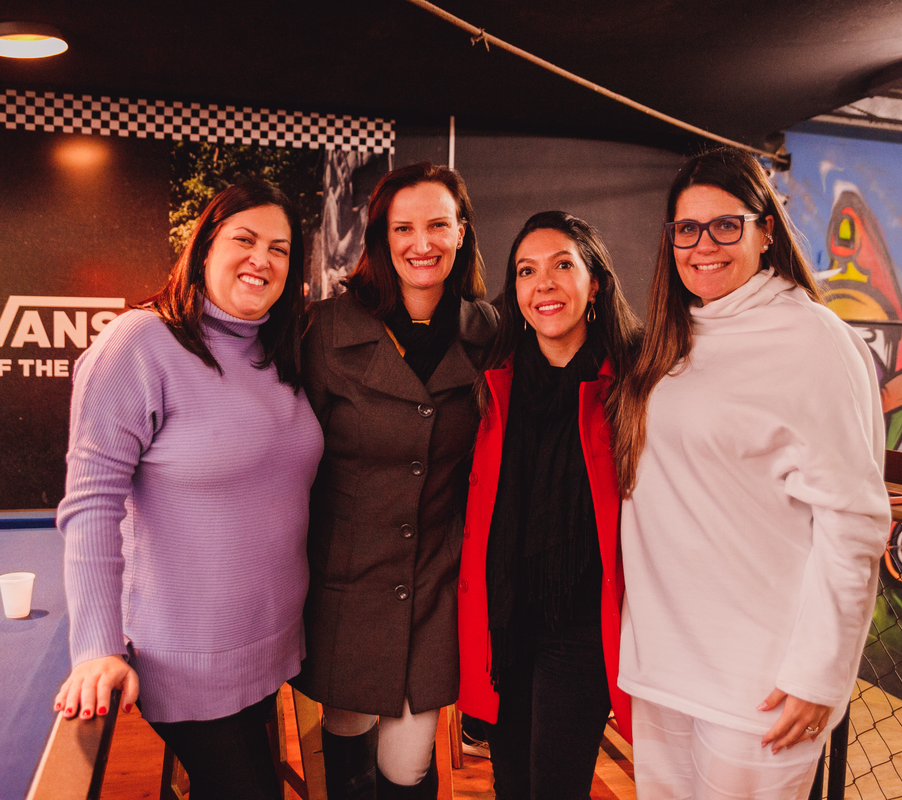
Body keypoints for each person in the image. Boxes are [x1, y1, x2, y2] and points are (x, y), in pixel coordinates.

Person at [613, 147, 890, 800]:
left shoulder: (815, 341)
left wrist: (820, 675)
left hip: (759, 684)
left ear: (766, 231)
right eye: (687, 229)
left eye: (726, 225)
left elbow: (853, 521)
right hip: (664, 665)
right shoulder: (671, 340)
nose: (703, 245)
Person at [54, 180, 323, 800]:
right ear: (203, 248)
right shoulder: (138, 343)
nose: (262, 259)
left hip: (273, 640)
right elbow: (91, 502)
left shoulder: (280, 354)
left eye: (280, 249)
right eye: (244, 239)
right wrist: (94, 647)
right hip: (186, 655)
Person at [295, 161, 497, 799]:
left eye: (439, 224)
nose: (422, 243)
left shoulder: (489, 332)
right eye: (403, 227)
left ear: (462, 232)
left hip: (435, 585)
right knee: (347, 755)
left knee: (409, 770)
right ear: (380, 236)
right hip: (345, 587)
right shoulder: (326, 330)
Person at [458, 211, 641, 799]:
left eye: (563, 265)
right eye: (526, 271)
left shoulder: (633, 384)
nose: (544, 284)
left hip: (582, 625)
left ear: (596, 283)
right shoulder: (495, 382)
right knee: (511, 785)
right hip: (506, 622)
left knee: (553, 789)